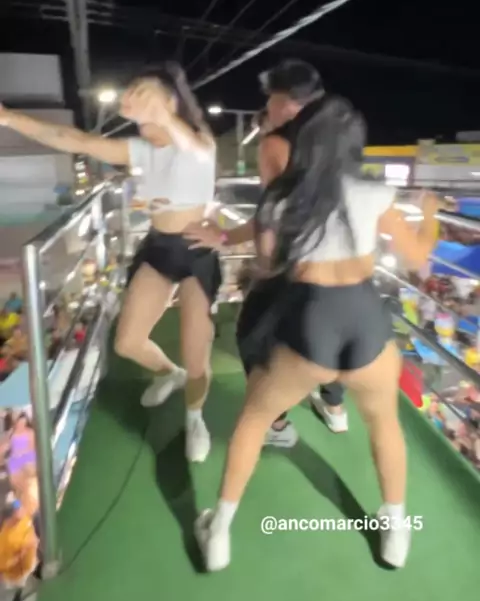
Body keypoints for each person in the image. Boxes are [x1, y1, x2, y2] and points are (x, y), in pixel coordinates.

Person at [190, 90, 439, 571]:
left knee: (254, 420)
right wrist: (428, 217)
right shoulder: (373, 192)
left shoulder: (282, 197)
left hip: (309, 318)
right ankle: (395, 533)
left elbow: (267, 262)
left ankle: (218, 532)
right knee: (384, 424)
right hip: (364, 316)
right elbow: (418, 257)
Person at [0, 61, 221, 463]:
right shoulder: (139, 150)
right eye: (132, 92)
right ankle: (168, 373)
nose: (132, 99)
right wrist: (8, 117)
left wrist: (163, 114)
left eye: (144, 93)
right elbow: (71, 138)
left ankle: (195, 417)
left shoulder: (199, 143)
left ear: (170, 102)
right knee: (127, 342)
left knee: (196, 352)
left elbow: (192, 147)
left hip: (198, 253)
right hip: (158, 247)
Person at [186, 61, 348, 447]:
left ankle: (275, 425)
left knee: (255, 338)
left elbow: (272, 215)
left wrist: (226, 239)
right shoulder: (334, 143)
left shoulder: (274, 144)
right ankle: (334, 406)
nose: (268, 110)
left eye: (272, 101)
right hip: (338, 261)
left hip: (291, 265)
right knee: (324, 334)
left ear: (290, 104)